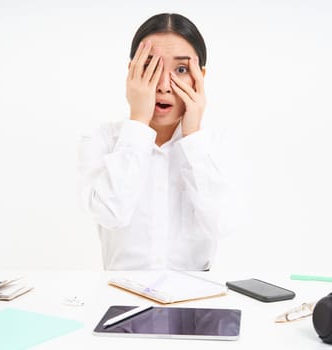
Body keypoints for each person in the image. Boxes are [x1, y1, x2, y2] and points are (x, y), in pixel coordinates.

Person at [78, 13, 236, 271]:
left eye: (181, 70)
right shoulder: (101, 140)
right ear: (132, 72)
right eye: (150, 68)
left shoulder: (218, 144)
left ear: (200, 76)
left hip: (196, 301)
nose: (163, 85)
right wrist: (138, 121)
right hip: (119, 297)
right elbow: (109, 214)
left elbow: (222, 224)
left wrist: (193, 136)